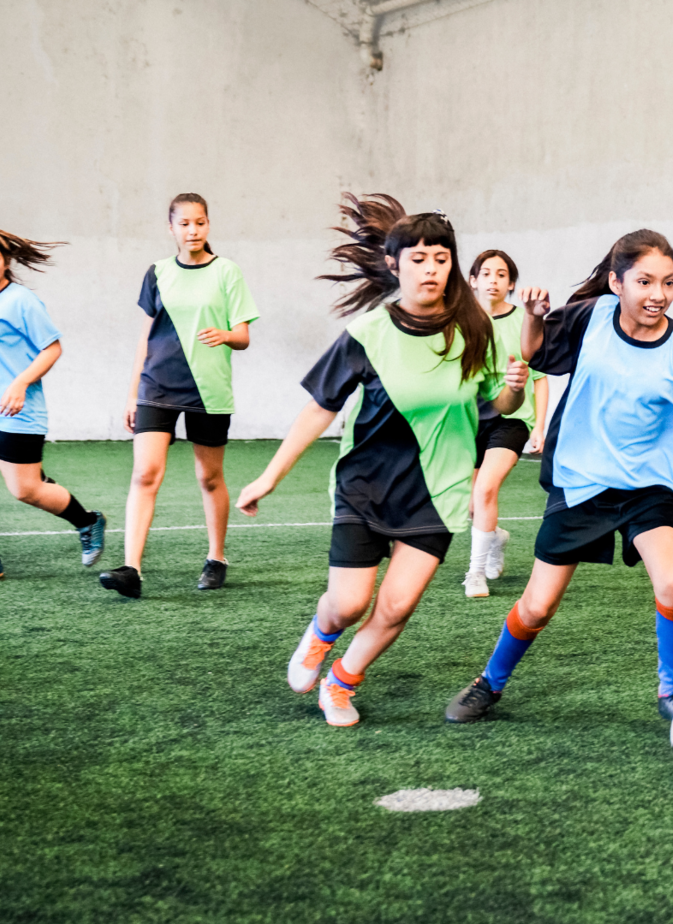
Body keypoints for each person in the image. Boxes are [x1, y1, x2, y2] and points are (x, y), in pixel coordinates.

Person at [444, 230, 673, 725]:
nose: (658, 294)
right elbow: (538, 355)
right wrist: (533, 320)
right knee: (537, 607)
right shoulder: (593, 317)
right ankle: (489, 683)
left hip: (649, 486)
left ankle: (672, 690)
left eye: (667, 283)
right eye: (644, 281)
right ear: (616, 283)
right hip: (582, 482)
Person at [235, 194, 528, 727]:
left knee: (395, 607)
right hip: (365, 485)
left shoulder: (475, 330)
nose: (431, 269)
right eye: (418, 259)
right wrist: (268, 476)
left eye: (441, 258)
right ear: (394, 265)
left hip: (437, 492)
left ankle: (341, 683)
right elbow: (319, 409)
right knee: (347, 604)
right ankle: (321, 634)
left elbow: (497, 407)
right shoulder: (367, 333)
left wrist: (513, 389)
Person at [99, 193, 259, 599]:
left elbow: (243, 335)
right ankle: (131, 568)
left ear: (208, 226)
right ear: (171, 228)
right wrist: (133, 393)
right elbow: (145, 337)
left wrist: (225, 335)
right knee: (145, 473)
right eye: (184, 223)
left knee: (209, 477)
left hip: (208, 388)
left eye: (200, 223)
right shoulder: (157, 273)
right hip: (157, 385)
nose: (193, 230)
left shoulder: (227, 272)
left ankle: (216, 557)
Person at [0, 228, 105, 581]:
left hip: (17, 411)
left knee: (25, 490)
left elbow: (52, 348)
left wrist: (20, 382)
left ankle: (88, 522)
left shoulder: (21, 300)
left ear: (6, 262)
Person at [464, 249, 549, 598]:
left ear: (511, 283)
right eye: (486, 273)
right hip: (467, 421)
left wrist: (540, 426)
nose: (493, 280)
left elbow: (540, 378)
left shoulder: (523, 321)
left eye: (501, 274)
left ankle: (475, 574)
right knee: (469, 504)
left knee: (485, 489)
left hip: (511, 419)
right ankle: (495, 538)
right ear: (473, 281)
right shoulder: (460, 322)